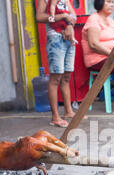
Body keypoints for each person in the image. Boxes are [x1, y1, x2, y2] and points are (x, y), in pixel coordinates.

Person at [36, 0, 78, 128]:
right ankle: (55, 117)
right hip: (55, 38)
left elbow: (74, 15)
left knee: (66, 77)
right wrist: (63, 17)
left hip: (70, 39)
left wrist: (69, 26)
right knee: (55, 78)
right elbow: (39, 17)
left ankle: (68, 111)